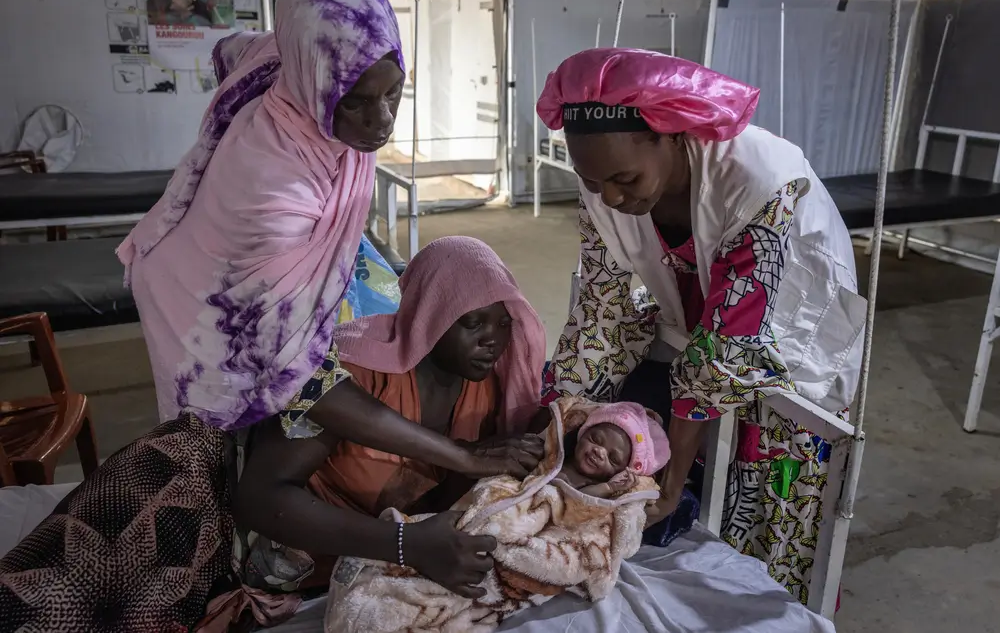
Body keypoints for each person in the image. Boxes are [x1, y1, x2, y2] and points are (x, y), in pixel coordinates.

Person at [0, 0, 539, 633]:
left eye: (394, 91)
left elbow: (239, 50)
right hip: (208, 330)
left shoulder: (295, 71)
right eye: (356, 101)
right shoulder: (274, 192)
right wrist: (450, 471)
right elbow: (300, 385)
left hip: (266, 437)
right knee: (110, 557)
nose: (381, 120)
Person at [536, 48, 865, 604]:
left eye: (624, 178)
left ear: (669, 135)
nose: (611, 198)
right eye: (593, 183)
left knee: (763, 494)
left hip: (792, 348)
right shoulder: (606, 183)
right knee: (690, 461)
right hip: (699, 324)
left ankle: (774, 606)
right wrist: (555, 428)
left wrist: (667, 487)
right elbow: (600, 310)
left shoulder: (760, 181)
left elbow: (727, 351)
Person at [225, 236, 547, 617]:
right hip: (297, 567)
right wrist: (405, 544)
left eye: (504, 323)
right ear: (431, 315)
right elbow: (261, 500)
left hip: (396, 568)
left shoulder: (487, 390)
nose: (491, 340)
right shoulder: (354, 371)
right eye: (471, 322)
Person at [553, 401, 671, 499]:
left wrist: (610, 488)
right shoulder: (556, 453)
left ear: (621, 472)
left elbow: (578, 500)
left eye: (613, 459)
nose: (599, 452)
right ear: (582, 433)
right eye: (595, 439)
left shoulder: (596, 485)